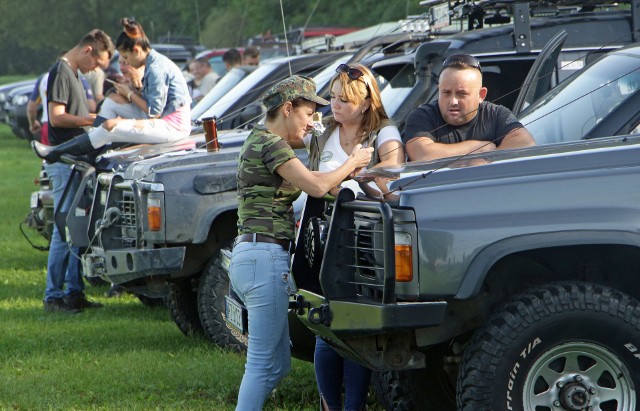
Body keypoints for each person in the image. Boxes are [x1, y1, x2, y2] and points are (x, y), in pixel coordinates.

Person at [230, 75, 373, 410]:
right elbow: (316, 186)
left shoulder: (264, 141)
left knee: (277, 366)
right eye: (309, 114)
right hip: (263, 258)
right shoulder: (270, 143)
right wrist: (352, 162)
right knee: (262, 365)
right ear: (288, 108)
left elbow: (321, 181)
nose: (313, 123)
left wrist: (347, 177)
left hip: (258, 256)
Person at [303, 63, 404, 411]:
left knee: (356, 326)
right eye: (332, 97)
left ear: (365, 103)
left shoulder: (384, 134)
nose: (335, 105)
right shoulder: (322, 132)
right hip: (324, 236)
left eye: (344, 100)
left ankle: (354, 406)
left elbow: (393, 191)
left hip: (365, 241)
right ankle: (330, 405)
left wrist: (367, 178)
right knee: (325, 325)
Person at [32, 18, 192, 163]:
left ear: (136, 50)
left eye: (126, 58)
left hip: (172, 126)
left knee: (110, 125)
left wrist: (129, 95)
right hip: (162, 120)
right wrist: (133, 90)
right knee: (112, 101)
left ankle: (56, 152)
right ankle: (92, 149)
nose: (126, 63)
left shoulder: (157, 68)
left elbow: (154, 112)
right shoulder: (153, 63)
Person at [40, 28, 115, 313]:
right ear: (87, 51)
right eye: (97, 63)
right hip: (64, 162)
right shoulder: (61, 71)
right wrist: (90, 119)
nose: (95, 69)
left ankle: (74, 291)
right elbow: (57, 118)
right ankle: (53, 296)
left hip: (77, 162)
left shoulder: (74, 73)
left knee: (77, 227)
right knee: (63, 228)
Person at [403, 53, 535, 162]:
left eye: (462, 94)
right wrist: (479, 148)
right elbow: (422, 154)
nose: (453, 101)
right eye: (446, 93)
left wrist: (485, 161)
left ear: (481, 95)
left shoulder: (496, 114)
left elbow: (525, 143)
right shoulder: (421, 116)